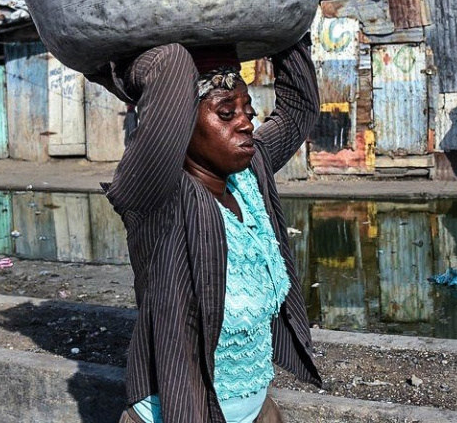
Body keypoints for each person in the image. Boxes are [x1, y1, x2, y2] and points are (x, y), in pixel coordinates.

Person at [89, 38, 320, 423]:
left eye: (248, 110)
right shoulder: (156, 198)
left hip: (258, 412)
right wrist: (126, 74)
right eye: (225, 113)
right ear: (181, 125)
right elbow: (171, 65)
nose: (246, 122)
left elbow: (299, 109)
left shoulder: (249, 175)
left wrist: (290, 29)